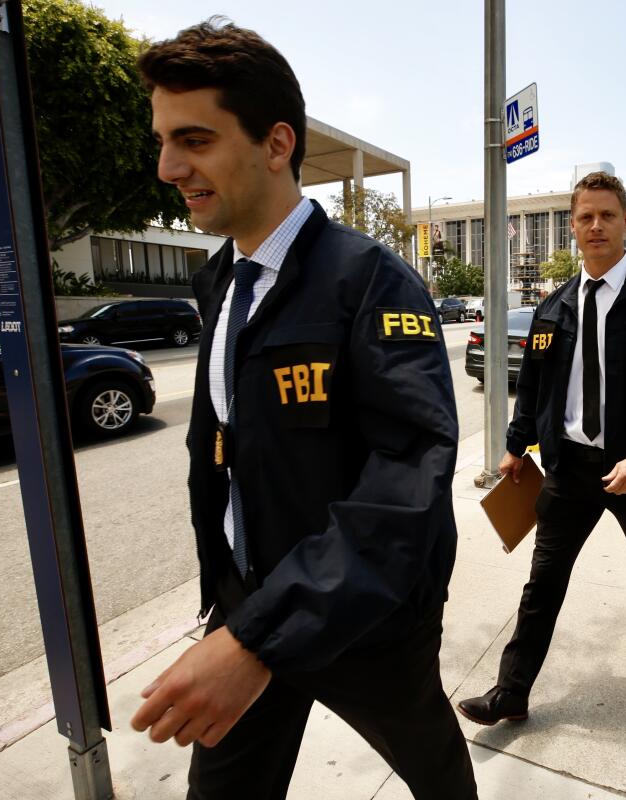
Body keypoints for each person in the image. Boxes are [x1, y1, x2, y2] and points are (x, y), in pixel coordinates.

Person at [128, 21, 477, 799]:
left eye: (194, 139)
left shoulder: (373, 282)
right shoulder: (220, 281)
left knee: (438, 777)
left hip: (366, 623)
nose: (168, 167)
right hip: (247, 605)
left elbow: (411, 472)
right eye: (162, 140)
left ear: (277, 143)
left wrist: (258, 639)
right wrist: (232, 609)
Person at [456, 172, 626, 725]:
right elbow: (535, 386)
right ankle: (512, 691)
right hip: (567, 469)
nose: (596, 226)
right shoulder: (555, 306)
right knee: (542, 581)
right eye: (585, 217)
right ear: (572, 227)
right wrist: (514, 444)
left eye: (607, 215)